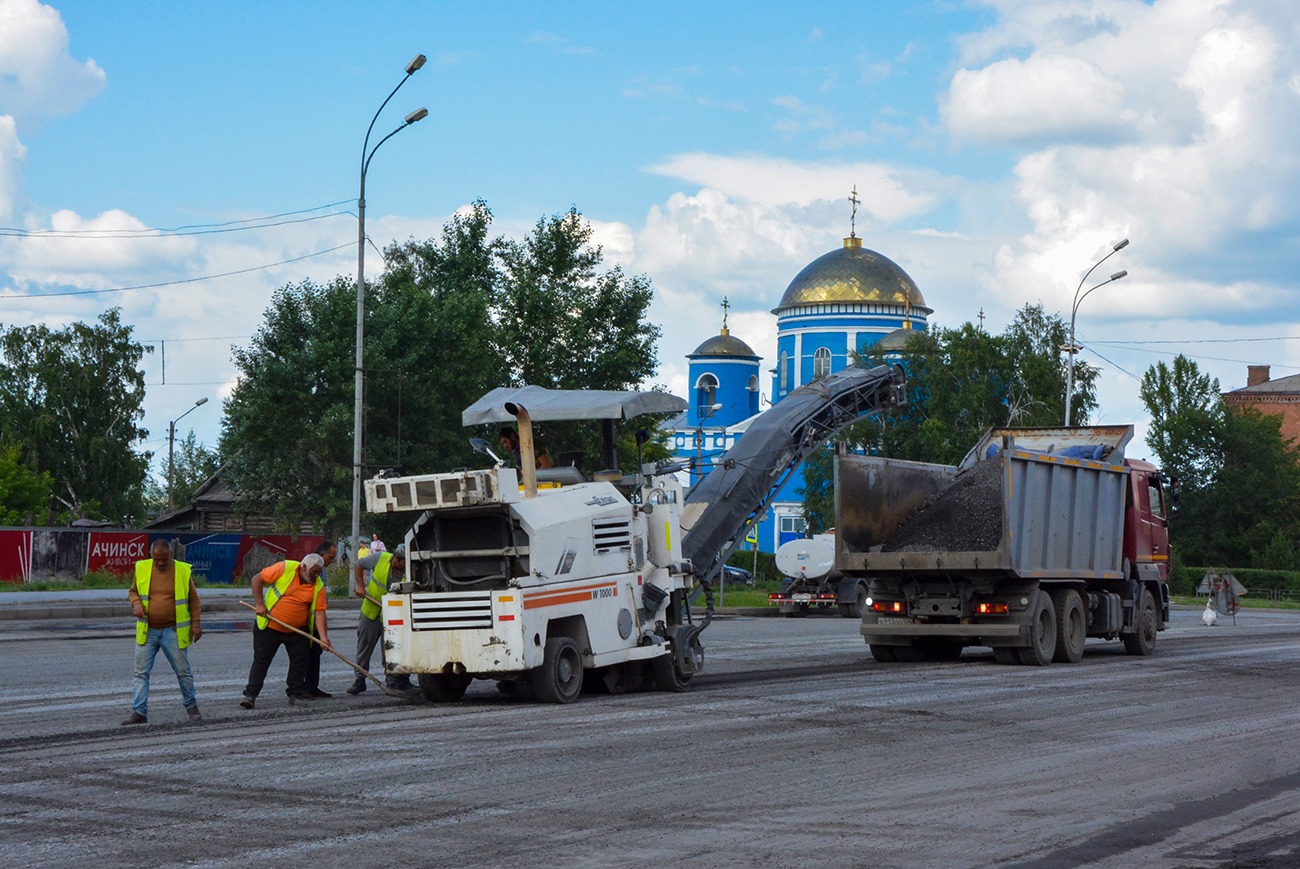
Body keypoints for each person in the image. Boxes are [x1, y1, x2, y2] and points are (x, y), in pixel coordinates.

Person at [124, 539, 202, 725]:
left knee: (183, 672)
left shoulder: (182, 570)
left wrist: (196, 624)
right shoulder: (142, 568)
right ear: (151, 555)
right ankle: (139, 712)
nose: (160, 563)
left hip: (172, 631)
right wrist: (136, 604)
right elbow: (133, 592)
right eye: (156, 559)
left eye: (164, 560)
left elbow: (194, 600)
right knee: (141, 673)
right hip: (148, 630)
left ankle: (192, 708)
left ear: (171, 555)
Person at [239, 553, 331, 709]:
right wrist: (260, 604)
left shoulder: (319, 587)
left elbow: (320, 613)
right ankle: (251, 695)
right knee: (261, 661)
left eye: (318, 572)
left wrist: (323, 638)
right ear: (303, 567)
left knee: (298, 663)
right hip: (269, 627)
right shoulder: (284, 568)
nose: (316, 576)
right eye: (314, 572)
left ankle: (295, 695)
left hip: (297, 630)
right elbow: (257, 579)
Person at [345, 544, 414, 695]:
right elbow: (358, 565)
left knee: (390, 648)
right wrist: (360, 586)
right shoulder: (380, 558)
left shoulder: (410, 570)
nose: (404, 568)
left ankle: (393, 681)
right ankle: (359, 680)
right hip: (370, 610)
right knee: (364, 647)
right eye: (403, 564)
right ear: (396, 559)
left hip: (393, 615)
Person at [301, 540, 338, 699]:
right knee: (302, 656)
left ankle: (312, 686)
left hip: (315, 622)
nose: (333, 561)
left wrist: (323, 635)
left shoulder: (321, 572)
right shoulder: (309, 568)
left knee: (315, 654)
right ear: (321, 555)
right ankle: (301, 689)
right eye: (331, 557)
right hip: (304, 622)